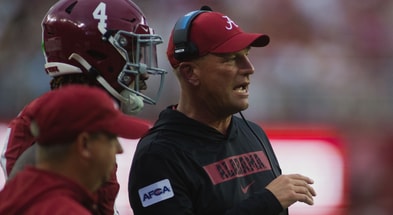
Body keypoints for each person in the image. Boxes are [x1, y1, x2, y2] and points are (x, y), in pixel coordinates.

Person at [128, 6, 316, 215]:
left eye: (246, 54)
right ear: (190, 73)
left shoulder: (253, 132)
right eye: (230, 59)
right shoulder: (158, 155)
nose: (249, 67)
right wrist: (267, 202)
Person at [0, 0, 166, 214]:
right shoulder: (56, 126)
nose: (143, 71)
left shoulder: (79, 118)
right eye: (132, 53)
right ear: (99, 53)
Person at [0, 85, 151, 214]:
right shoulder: (65, 210)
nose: (119, 149)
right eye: (111, 138)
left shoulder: (12, 196)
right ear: (84, 144)